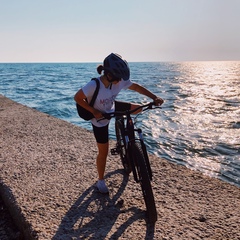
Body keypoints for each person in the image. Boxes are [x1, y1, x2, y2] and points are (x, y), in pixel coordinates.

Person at [74, 53, 164, 194]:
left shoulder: (118, 80)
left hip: (112, 107)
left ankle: (127, 137)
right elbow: (77, 97)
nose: (120, 82)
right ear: (109, 75)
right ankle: (100, 181)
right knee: (103, 152)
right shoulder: (94, 85)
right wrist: (94, 111)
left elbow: (136, 87)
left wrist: (154, 97)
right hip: (100, 119)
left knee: (138, 108)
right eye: (118, 79)